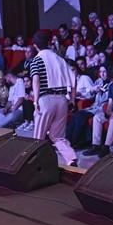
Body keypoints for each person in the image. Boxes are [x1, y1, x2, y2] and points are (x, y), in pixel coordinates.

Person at [26, 31, 78, 166]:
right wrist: (72, 100)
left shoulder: (36, 60)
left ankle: (36, 165)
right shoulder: (60, 59)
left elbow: (36, 80)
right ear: (48, 43)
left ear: (35, 46)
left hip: (45, 100)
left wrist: (35, 100)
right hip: (62, 99)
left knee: (39, 136)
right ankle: (71, 158)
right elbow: (73, 80)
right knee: (58, 136)